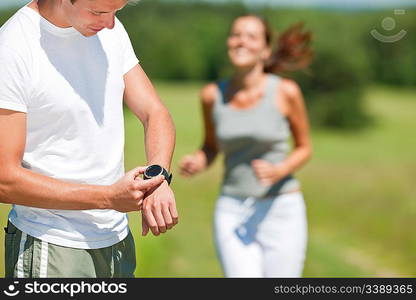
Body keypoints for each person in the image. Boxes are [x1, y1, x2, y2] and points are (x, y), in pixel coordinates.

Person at [0, 0, 178, 278]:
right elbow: (4, 178)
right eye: (97, 12)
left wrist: (158, 177)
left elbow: (154, 112)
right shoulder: (12, 47)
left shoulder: (110, 29)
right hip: (52, 244)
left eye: (115, 12)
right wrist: (108, 197)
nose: (109, 23)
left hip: (116, 240)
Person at [179, 15, 313, 277]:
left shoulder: (286, 92)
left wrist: (280, 170)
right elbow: (210, 146)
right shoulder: (211, 96)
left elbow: (304, 148)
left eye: (251, 36)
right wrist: (198, 160)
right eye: (236, 34)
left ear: (265, 50)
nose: (241, 41)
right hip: (232, 209)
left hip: (281, 208)